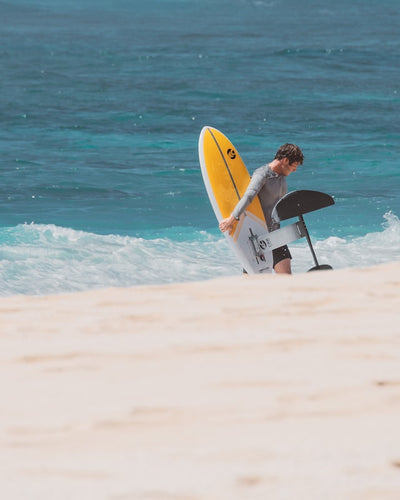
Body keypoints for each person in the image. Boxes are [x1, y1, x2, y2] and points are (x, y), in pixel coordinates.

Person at [219, 143, 304, 274]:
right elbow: (248, 197)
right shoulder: (262, 174)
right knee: (254, 283)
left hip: (276, 236)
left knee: (287, 278)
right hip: (258, 238)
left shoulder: (282, 178)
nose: (295, 170)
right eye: (295, 165)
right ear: (286, 160)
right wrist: (232, 219)